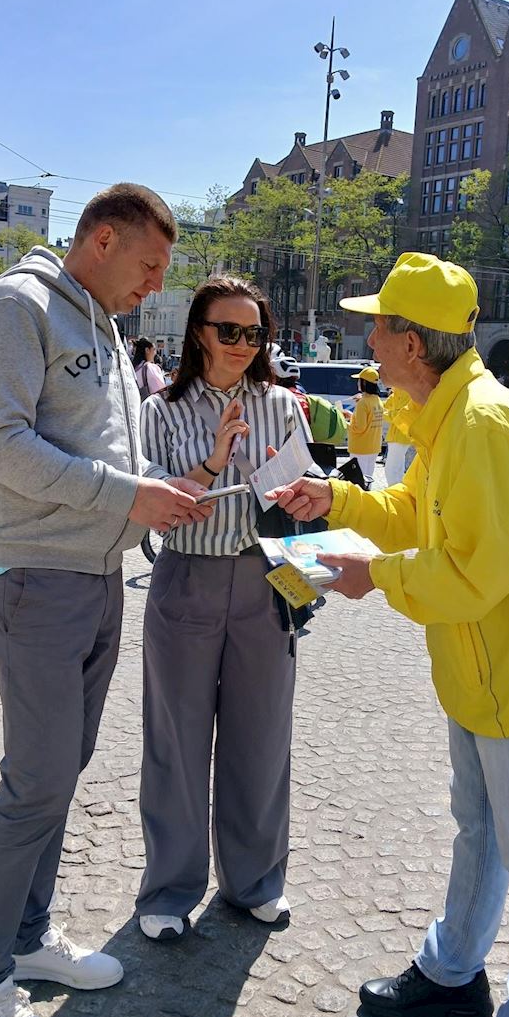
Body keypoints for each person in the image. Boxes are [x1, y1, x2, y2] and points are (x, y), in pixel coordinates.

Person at [271, 252, 509, 1017]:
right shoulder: (449, 413)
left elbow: (478, 571)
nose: (368, 343)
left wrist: (373, 577)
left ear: (411, 343)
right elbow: (418, 513)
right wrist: (336, 502)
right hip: (481, 671)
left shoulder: (480, 422)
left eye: (376, 328)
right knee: (479, 829)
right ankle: (454, 973)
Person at [0, 183, 211, 1017]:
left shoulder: (100, 321)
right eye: (150, 264)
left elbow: (101, 444)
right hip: (36, 577)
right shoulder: (16, 308)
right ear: (101, 240)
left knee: (59, 772)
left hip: (94, 576)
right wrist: (129, 495)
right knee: (36, 781)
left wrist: (159, 489)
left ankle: (25, 938)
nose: (157, 284)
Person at [136, 276, 309, 943]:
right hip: (188, 576)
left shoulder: (282, 406)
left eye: (254, 333)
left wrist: (298, 491)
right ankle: (170, 889)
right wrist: (212, 464)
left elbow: (306, 488)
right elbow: (156, 501)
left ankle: (255, 881)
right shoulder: (162, 410)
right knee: (176, 739)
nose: (242, 344)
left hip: (266, 577)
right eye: (228, 330)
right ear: (198, 332)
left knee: (261, 737)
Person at [347, 365, 384, 483]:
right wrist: (351, 416)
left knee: (358, 482)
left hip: (360, 447)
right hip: (373, 446)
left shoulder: (363, 403)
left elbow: (359, 428)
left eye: (359, 380)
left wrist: (344, 422)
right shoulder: (377, 400)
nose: (358, 382)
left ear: (364, 382)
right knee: (367, 480)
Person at [382, 387, 414, 486]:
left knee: (392, 470)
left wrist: (383, 413)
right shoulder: (397, 391)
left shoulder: (405, 392)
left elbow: (400, 415)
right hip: (398, 435)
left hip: (400, 434)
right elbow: (385, 405)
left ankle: (395, 491)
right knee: (396, 468)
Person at [131, 335, 168, 400]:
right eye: (154, 349)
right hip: (149, 403)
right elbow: (161, 390)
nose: (155, 353)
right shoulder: (150, 367)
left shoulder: (132, 367)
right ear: (147, 350)